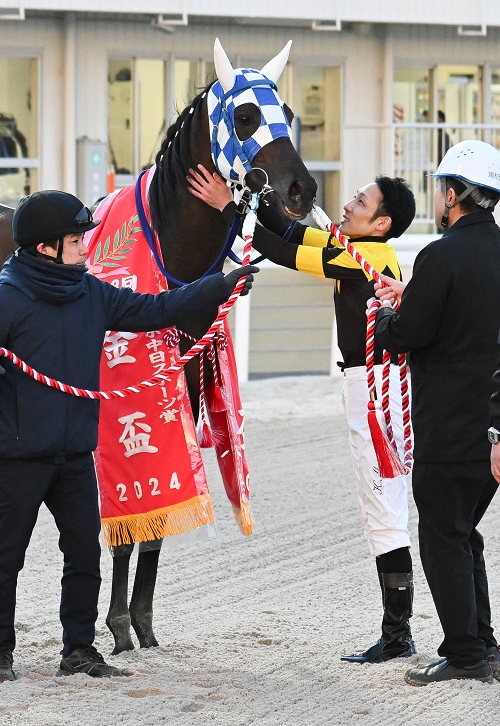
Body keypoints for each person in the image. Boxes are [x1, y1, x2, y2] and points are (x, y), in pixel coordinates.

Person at [0, 190, 258, 683]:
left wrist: (217, 286)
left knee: (83, 555)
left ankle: (78, 650)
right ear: (44, 247)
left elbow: (154, 310)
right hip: (17, 456)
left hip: (74, 452)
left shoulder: (91, 292)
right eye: (76, 241)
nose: (85, 249)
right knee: (4, 557)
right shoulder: (6, 297)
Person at [187, 164, 417, 664]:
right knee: (383, 507)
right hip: (368, 382)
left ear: (381, 223)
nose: (350, 203)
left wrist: (229, 208)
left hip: (373, 388)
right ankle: (398, 631)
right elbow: (293, 230)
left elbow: (285, 251)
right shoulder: (359, 248)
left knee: (383, 509)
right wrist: (254, 195)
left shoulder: (366, 256)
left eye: (361, 201)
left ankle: (398, 634)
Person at [374, 139, 500, 686]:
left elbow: (409, 334)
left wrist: (383, 314)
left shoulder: (440, 255)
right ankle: (484, 645)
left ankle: (467, 654)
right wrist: (414, 294)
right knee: (463, 531)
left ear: (453, 194)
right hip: (489, 427)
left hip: (448, 426)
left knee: (444, 538)